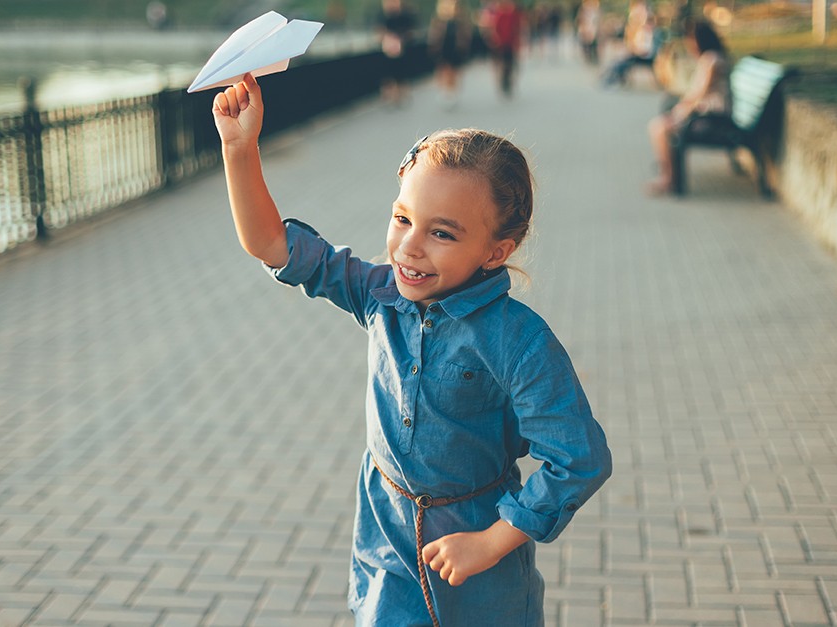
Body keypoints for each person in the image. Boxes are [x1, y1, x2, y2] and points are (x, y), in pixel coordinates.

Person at [212, 73, 612, 626]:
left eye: (442, 233)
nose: (409, 247)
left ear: (496, 251)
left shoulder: (518, 340)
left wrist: (493, 541)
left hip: (478, 559)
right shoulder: (378, 295)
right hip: (387, 541)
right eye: (402, 219)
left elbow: (578, 457)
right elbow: (273, 244)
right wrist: (239, 149)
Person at [646, 19, 731, 195]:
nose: (690, 45)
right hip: (705, 115)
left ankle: (668, 179)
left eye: (692, 40)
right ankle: (668, 175)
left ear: (701, 40)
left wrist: (680, 113)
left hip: (713, 120)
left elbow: (699, 94)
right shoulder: (709, 59)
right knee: (660, 126)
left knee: (660, 128)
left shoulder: (712, 61)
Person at [428, 0, 473, 110]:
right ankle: (445, 91)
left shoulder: (461, 20)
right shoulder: (438, 20)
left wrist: (464, 45)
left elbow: (466, 34)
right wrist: (433, 46)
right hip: (443, 48)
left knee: (455, 71)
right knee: (444, 70)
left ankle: (452, 91)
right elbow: (433, 35)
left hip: (456, 48)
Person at [482, 0, 527, 99]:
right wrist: (495, 40)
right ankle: (503, 82)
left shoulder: (513, 14)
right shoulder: (499, 14)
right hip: (501, 44)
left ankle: (508, 83)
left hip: (511, 44)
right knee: (503, 64)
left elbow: (518, 28)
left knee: (510, 65)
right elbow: (494, 28)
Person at [378, 0, 418, 106]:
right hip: (387, 50)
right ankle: (392, 96)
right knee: (389, 74)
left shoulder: (405, 16)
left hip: (402, 50)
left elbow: (411, 32)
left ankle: (400, 94)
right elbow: (379, 32)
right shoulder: (383, 17)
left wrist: (400, 39)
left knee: (401, 73)